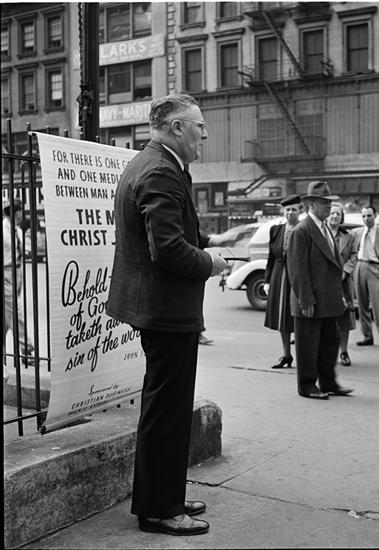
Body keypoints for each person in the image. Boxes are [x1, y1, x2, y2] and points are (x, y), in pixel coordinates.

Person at [106, 94, 228, 536]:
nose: (205, 134)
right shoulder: (159, 170)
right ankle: (159, 510)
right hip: (165, 312)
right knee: (166, 413)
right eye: (199, 125)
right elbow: (170, 249)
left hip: (161, 309)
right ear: (177, 127)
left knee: (168, 410)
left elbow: (170, 232)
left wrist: (207, 244)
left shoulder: (155, 163)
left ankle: (166, 496)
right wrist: (211, 263)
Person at [286, 181, 352, 399]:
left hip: (328, 299)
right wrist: (306, 300)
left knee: (329, 344)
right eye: (325, 203)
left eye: (330, 202)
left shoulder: (324, 229)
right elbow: (297, 270)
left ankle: (328, 382)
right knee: (308, 346)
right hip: (311, 300)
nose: (329, 207)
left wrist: (340, 296)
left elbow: (333, 266)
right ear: (312, 204)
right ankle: (307, 385)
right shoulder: (302, 231)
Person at [264, 194, 302, 369]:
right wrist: (267, 280)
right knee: (281, 317)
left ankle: (304, 356)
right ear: (283, 212)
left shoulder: (304, 229)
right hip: (279, 276)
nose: (290, 213)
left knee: (299, 316)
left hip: (298, 277)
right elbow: (271, 257)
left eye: (293, 209)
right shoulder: (276, 230)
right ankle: (286, 355)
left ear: (300, 211)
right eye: (287, 210)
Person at [352, 205, 379, 348]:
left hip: (376, 268)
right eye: (364, 216)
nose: (366, 219)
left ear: (375, 216)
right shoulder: (357, 233)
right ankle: (367, 336)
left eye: (369, 215)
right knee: (362, 305)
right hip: (360, 266)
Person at [3, 199, 36, 366]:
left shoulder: (18, 231)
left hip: (18, 273)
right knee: (15, 312)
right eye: (20, 211)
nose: (22, 215)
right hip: (6, 273)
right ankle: (27, 349)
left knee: (7, 315)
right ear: (15, 213)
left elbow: (23, 250)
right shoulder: (3, 230)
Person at [326, 202, 357, 366]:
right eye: (332, 213)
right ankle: (326, 352)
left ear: (342, 218)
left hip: (343, 282)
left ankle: (343, 352)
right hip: (325, 282)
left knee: (344, 319)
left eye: (338, 214)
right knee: (325, 318)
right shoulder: (321, 234)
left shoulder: (349, 237)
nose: (335, 216)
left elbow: (353, 256)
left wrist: (345, 271)